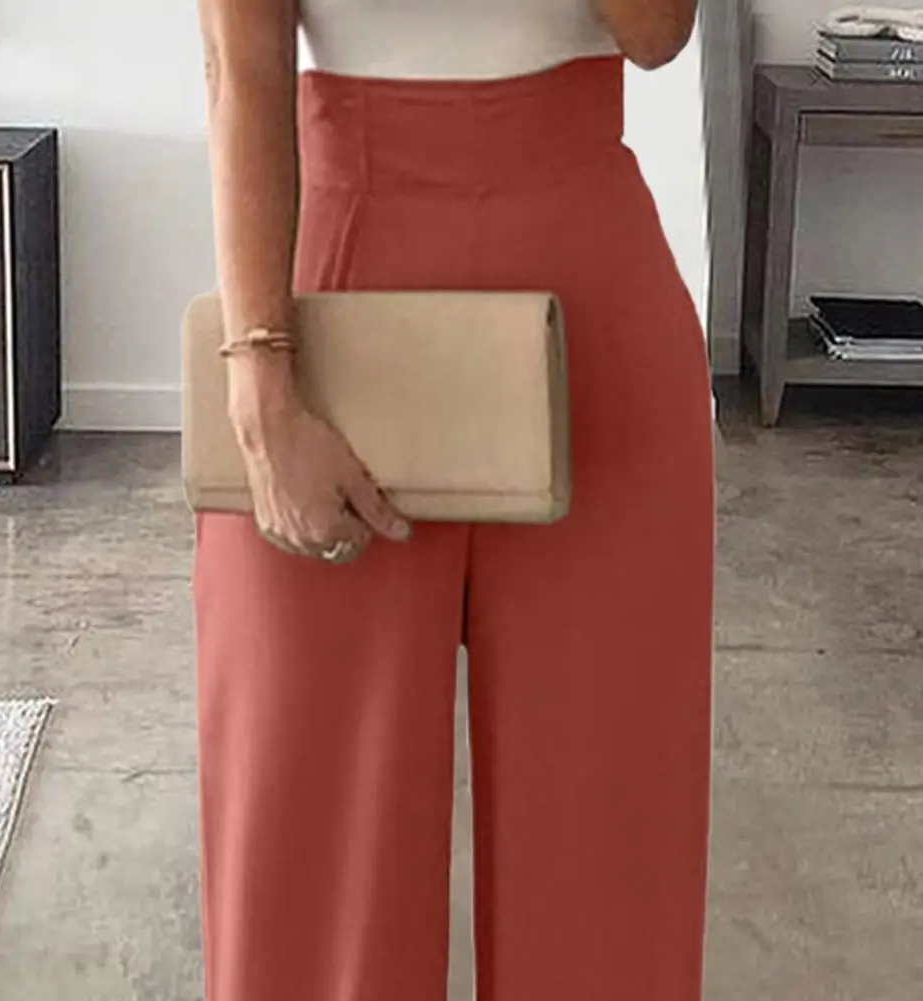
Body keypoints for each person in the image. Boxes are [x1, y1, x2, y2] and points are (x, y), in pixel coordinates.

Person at [192, 2, 714, 1000]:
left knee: (605, 839)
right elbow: (236, 66)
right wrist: (259, 385)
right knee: (308, 854)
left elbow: (656, 34)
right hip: (331, 302)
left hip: (591, 303)